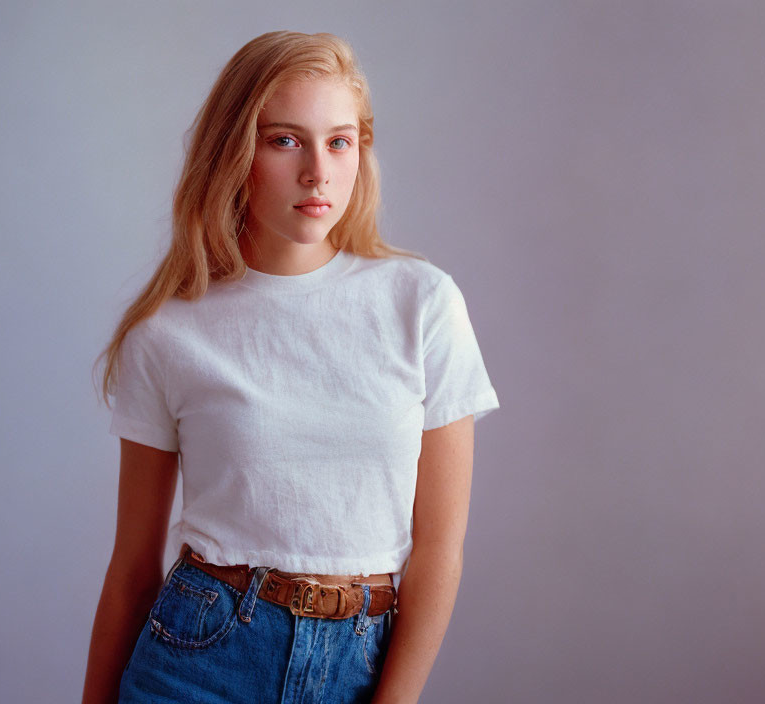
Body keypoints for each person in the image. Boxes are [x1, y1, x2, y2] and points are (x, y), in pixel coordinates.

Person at [82, 30, 499, 704]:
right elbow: (132, 564)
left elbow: (439, 552)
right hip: (198, 658)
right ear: (236, 153)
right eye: (285, 140)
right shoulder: (167, 332)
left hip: (359, 663)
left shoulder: (421, 304)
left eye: (340, 141)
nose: (318, 172)